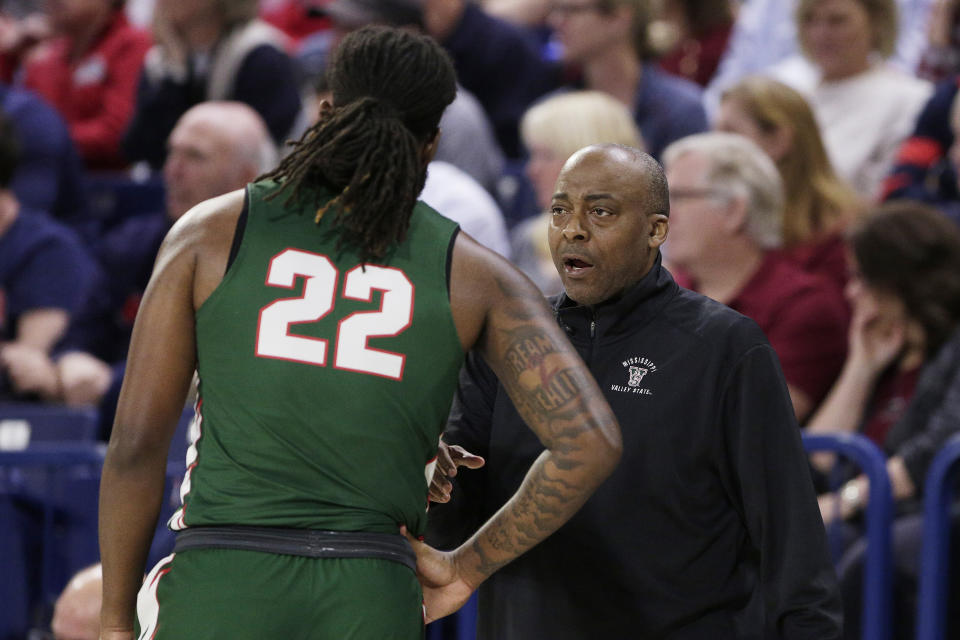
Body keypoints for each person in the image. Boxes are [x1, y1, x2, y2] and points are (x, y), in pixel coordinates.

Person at [98, 25, 622, 639]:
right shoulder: (473, 273)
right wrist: (466, 567)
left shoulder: (212, 232)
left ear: (324, 112)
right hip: (369, 594)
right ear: (431, 144)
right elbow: (590, 444)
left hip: (224, 579)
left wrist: (112, 621)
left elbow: (136, 444)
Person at [427, 142, 842, 638]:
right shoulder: (508, 343)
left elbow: (789, 534)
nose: (573, 229)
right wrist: (431, 476)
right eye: (560, 211)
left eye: (600, 211)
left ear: (655, 230)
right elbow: (452, 522)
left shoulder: (724, 347)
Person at [57, 101, 278, 416]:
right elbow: (79, 334)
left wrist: (113, 383)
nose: (172, 171)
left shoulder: (274, 260)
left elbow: (224, 369)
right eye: (172, 153)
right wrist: (70, 360)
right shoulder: (132, 243)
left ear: (246, 177)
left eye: (195, 157)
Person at [803, 202, 960, 638]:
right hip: (871, 515)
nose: (850, 292)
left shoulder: (952, 350)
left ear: (899, 282)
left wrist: (843, 502)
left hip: (926, 514)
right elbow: (817, 459)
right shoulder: (882, 355)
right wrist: (859, 367)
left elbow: (932, 453)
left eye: (860, 278)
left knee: (850, 551)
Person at [663, 132, 849, 421]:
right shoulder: (663, 295)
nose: (662, 214)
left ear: (735, 211)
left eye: (678, 197)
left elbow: (755, 423)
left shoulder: (804, 306)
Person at [422, 0, 707, 159]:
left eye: (571, 10)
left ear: (620, 17)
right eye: (555, 9)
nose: (556, 21)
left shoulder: (681, 110)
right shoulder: (548, 107)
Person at [713, 75, 863, 291]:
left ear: (778, 141)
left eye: (730, 134)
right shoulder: (718, 213)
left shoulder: (838, 235)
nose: (713, 147)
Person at [122, 0, 307, 169]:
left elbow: (257, 153)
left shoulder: (261, 54)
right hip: (178, 197)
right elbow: (139, 148)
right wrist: (176, 73)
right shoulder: (161, 61)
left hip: (254, 194)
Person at [778, 0, 932, 200]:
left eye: (837, 21)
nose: (820, 34)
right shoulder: (787, 87)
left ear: (876, 23)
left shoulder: (910, 99)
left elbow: (883, 196)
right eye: (809, 20)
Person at [511, 89, 645, 295]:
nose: (532, 171)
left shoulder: (650, 243)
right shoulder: (528, 240)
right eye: (533, 155)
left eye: (546, 156)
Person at [10, 0, 152, 169]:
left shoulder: (133, 43)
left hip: (105, 187)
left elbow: (117, 134)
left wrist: (39, 138)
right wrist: (8, 58)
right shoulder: (46, 57)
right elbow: (13, 123)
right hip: (47, 178)